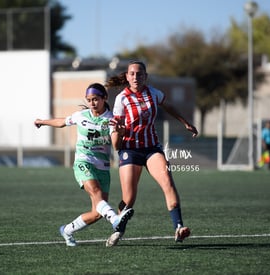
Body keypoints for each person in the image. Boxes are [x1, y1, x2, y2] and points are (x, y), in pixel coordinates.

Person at [105, 60, 198, 247]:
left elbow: (169, 106)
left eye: (139, 74)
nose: (136, 77)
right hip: (129, 149)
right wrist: (120, 134)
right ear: (127, 76)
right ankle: (118, 229)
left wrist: (185, 122)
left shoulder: (154, 94)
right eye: (132, 74)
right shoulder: (121, 99)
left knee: (167, 181)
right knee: (129, 199)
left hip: (151, 148)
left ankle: (179, 227)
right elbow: (116, 141)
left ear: (145, 76)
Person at [34, 83, 133, 247]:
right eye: (89, 100)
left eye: (95, 99)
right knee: (96, 192)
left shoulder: (111, 120)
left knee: (97, 213)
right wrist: (43, 122)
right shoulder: (81, 115)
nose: (92, 103)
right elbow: (62, 122)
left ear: (104, 99)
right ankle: (115, 221)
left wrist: (120, 133)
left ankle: (67, 230)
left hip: (103, 167)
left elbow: (116, 146)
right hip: (83, 161)